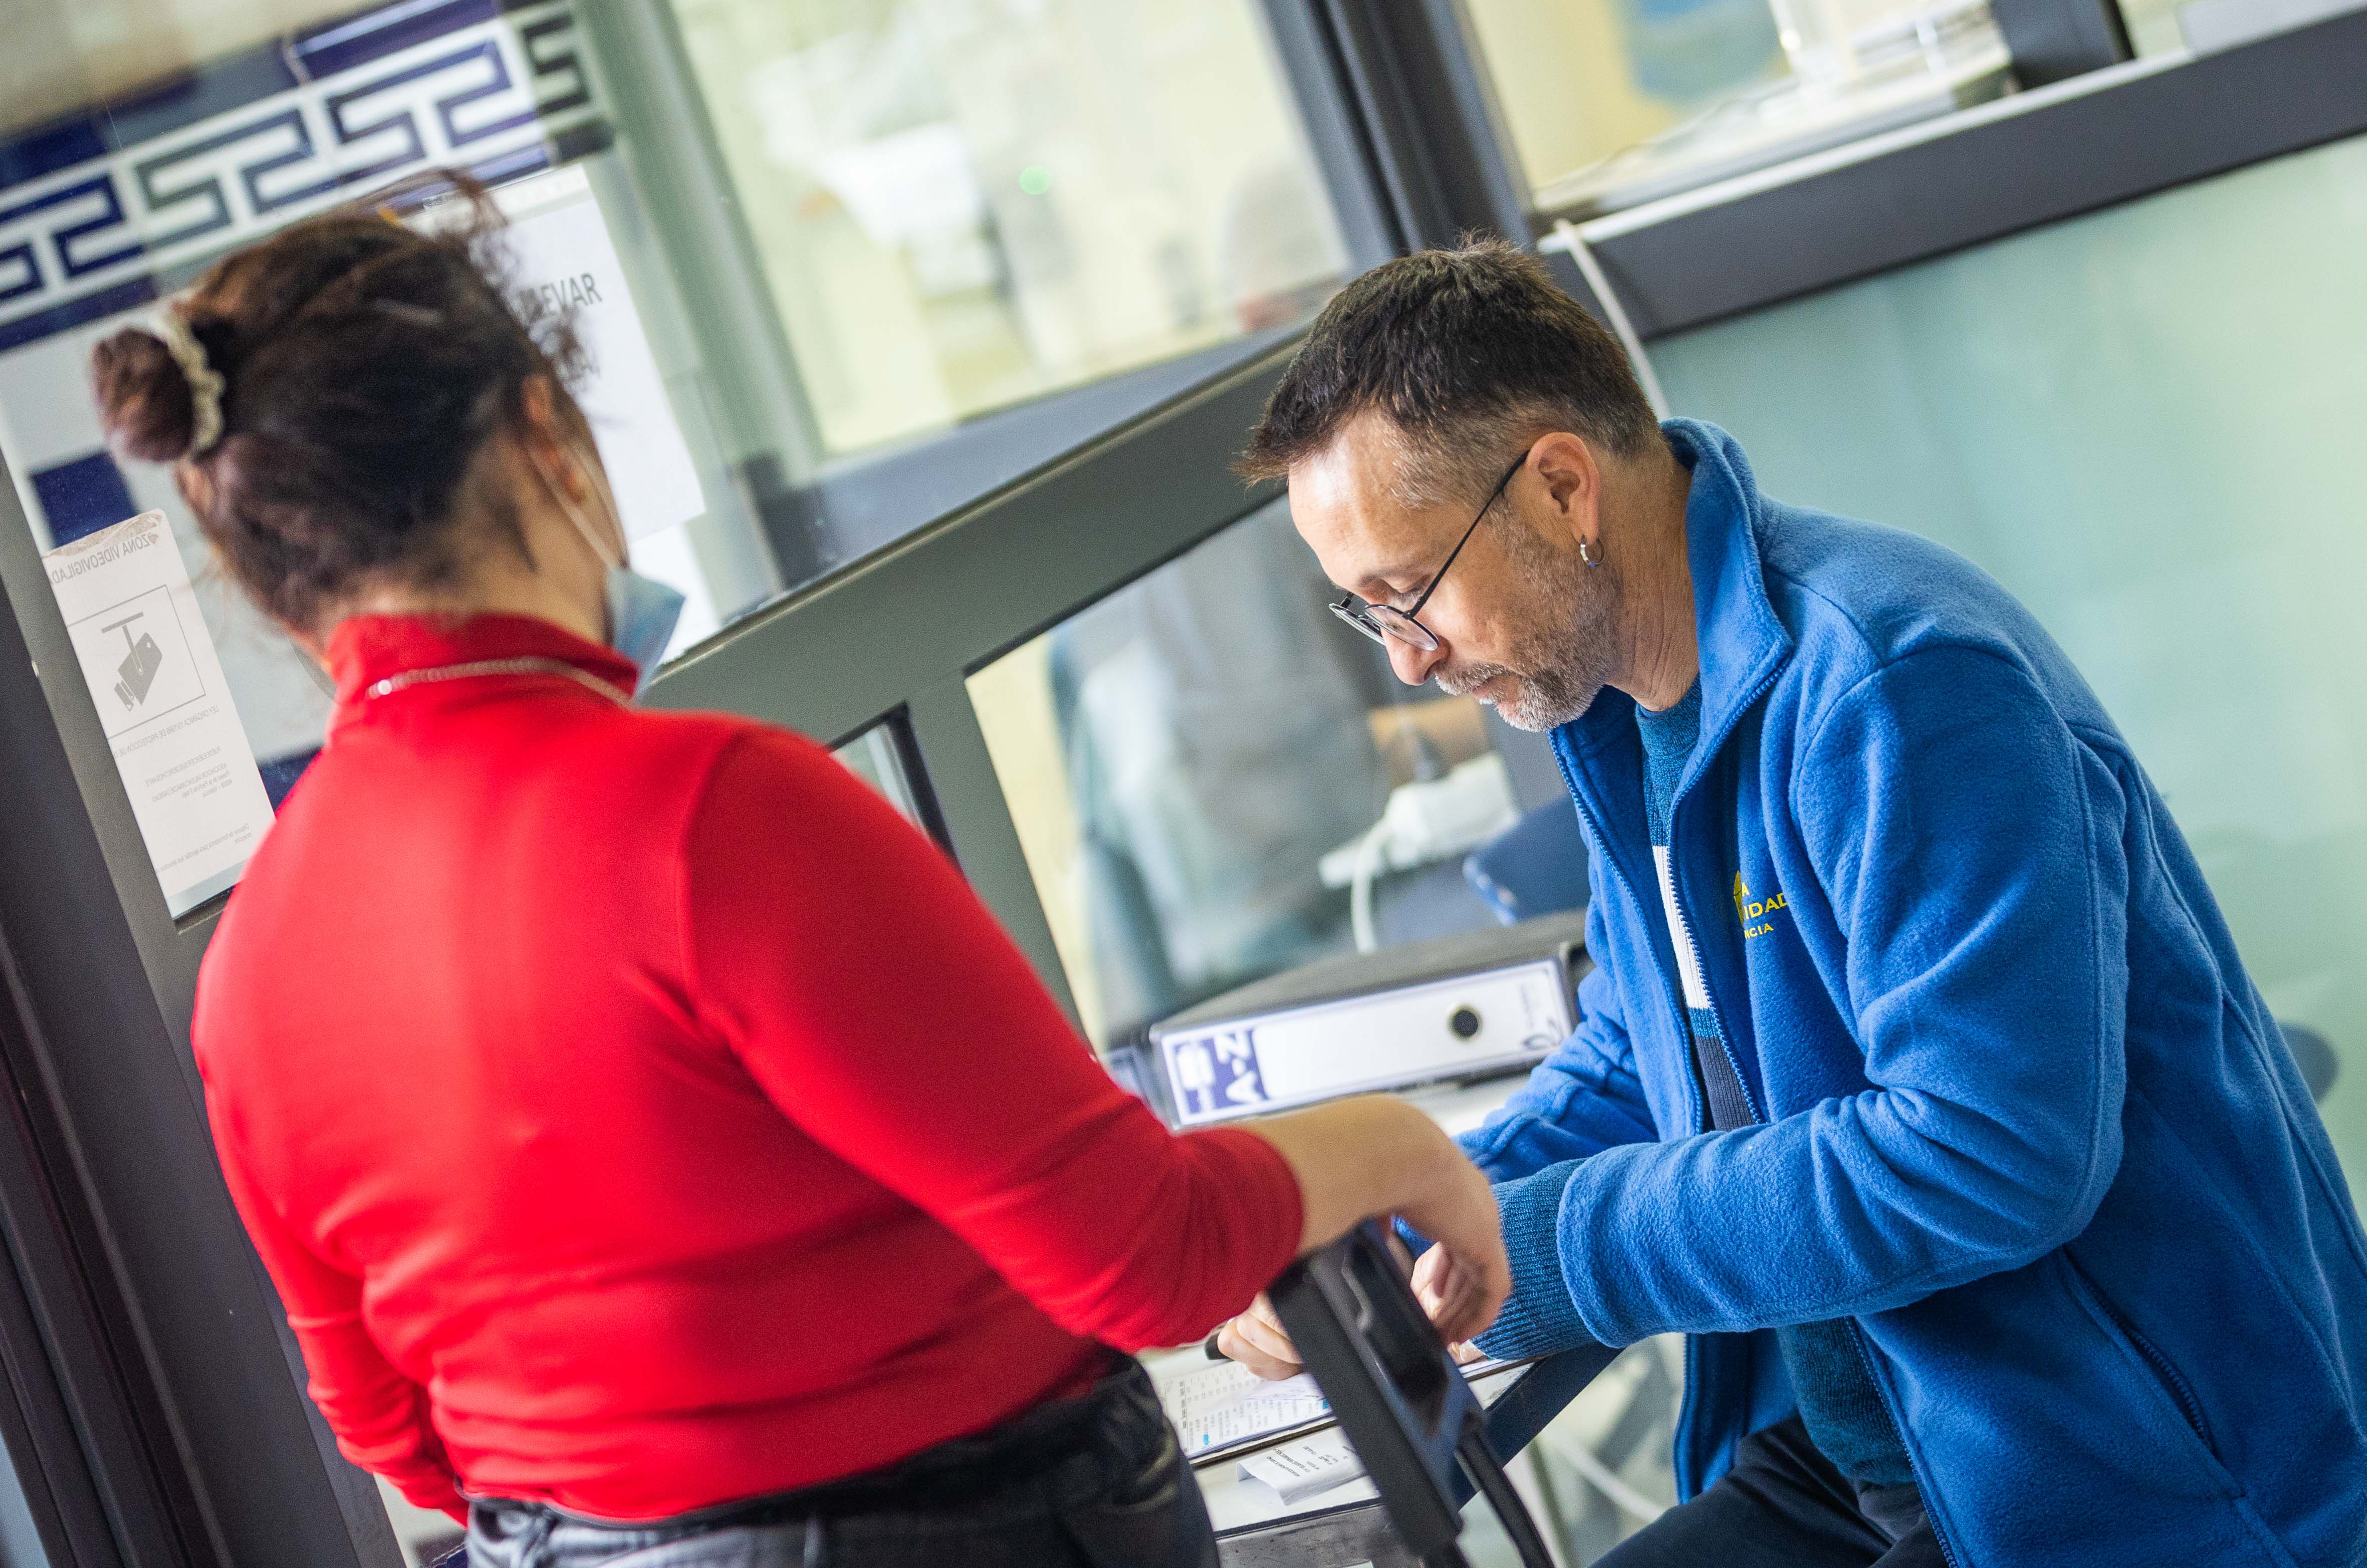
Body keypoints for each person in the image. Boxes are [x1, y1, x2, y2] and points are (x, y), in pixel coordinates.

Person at [92, 182, 1510, 1568]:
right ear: (546, 436)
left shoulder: (253, 967)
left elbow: (394, 1432)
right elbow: (1146, 1249)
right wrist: (1405, 1146)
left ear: (275, 570)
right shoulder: (712, 811)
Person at [1216, 240, 2367, 1568]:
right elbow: (1655, 1055)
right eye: (1366, 615)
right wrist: (1402, 1227)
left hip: (2110, 1476)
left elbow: (1986, 1156)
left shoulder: (1893, 685)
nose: (1411, 661)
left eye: (1405, 592)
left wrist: (1526, 1255)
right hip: (1870, 1437)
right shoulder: (1629, 710)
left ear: (1556, 488)